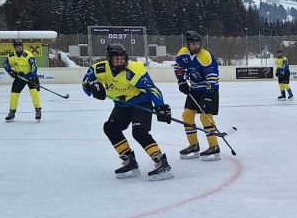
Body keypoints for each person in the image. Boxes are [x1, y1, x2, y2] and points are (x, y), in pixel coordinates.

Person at [82, 44, 172, 180]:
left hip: (141, 103)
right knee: (110, 127)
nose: (120, 61)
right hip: (122, 105)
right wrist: (94, 87)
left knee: (139, 132)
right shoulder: (99, 69)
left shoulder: (134, 71)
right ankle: (130, 161)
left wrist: (161, 107)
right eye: (116, 59)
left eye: (122, 58)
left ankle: (161, 162)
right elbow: (85, 83)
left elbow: (152, 89)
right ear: (109, 59)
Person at [173, 31, 222, 160]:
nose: (195, 45)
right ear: (188, 44)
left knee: (205, 117)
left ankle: (214, 146)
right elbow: (178, 67)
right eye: (193, 43)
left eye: (197, 43)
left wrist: (208, 94)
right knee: (187, 115)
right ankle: (193, 145)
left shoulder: (205, 56)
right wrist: (181, 81)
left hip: (209, 90)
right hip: (194, 89)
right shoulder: (182, 53)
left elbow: (212, 76)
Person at [2, 39, 42, 122]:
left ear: (22, 46)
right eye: (17, 46)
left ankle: (38, 110)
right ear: (14, 47)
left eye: (20, 46)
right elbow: (5, 63)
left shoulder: (28, 55)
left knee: (34, 92)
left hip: (30, 76)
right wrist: (10, 71)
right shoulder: (11, 55)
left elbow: (34, 66)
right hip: (19, 77)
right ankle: (12, 112)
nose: (19, 47)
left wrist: (33, 77)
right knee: (14, 94)